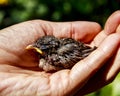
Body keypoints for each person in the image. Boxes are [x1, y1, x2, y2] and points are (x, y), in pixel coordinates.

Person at [0, 10, 119, 96]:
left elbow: (80, 54)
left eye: (40, 49)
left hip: (83, 51)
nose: (34, 49)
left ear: (49, 51)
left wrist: (93, 51)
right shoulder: (51, 51)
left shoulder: (54, 57)